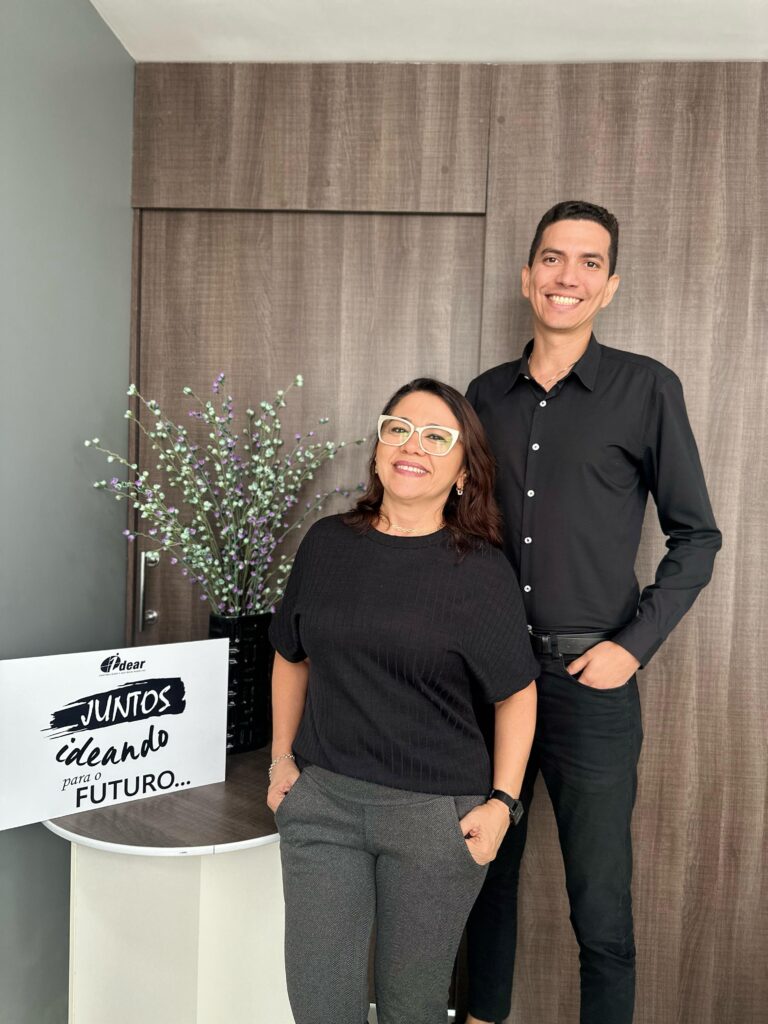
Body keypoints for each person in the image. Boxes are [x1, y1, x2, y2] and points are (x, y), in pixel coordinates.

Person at [464, 200, 721, 1024]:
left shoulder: (647, 389)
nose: (566, 276)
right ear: (526, 275)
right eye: (551, 258)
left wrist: (632, 648)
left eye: (587, 262)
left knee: (601, 905)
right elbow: (459, 535)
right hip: (489, 682)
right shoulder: (483, 397)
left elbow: (697, 537)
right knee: (481, 881)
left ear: (610, 285)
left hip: (592, 685)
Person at [267, 378, 539, 1024]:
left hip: (433, 824)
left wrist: (501, 804)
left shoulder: (479, 570)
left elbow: (517, 694)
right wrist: (282, 763)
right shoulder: (328, 543)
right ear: (380, 447)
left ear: (465, 471)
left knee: (411, 1011)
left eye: (437, 437)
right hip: (323, 808)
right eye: (399, 428)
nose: (412, 446)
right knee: (320, 1008)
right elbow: (288, 653)